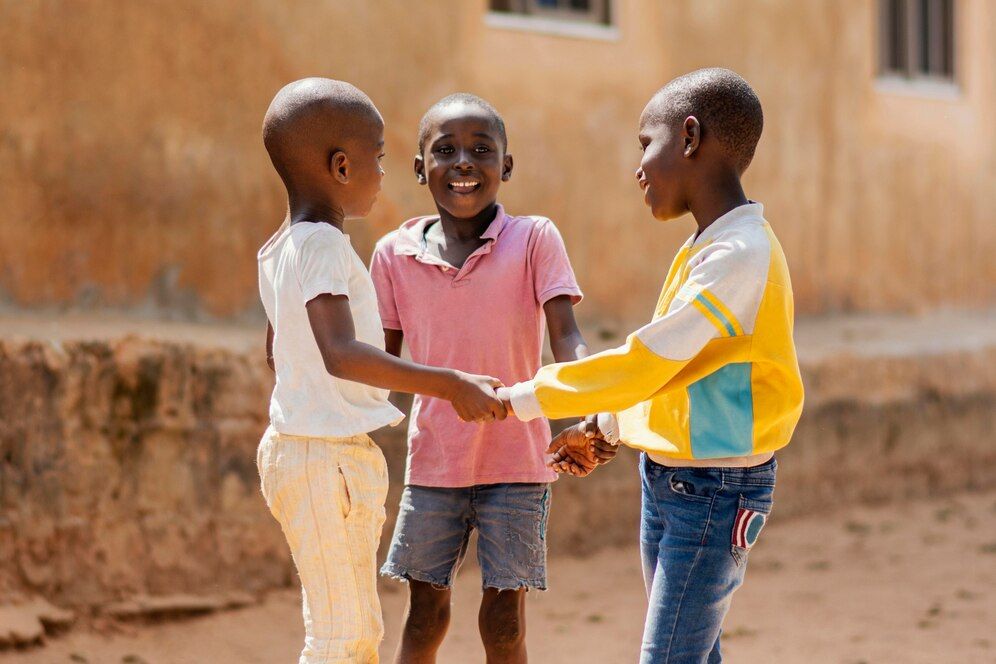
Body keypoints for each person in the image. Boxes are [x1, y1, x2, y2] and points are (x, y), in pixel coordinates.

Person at [501, 69, 805, 663]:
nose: (638, 167)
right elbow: (674, 374)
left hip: (716, 491)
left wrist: (522, 398)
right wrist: (607, 429)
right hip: (670, 480)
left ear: (689, 137)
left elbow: (644, 362)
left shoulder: (741, 255)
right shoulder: (706, 249)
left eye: (646, 144)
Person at [255, 79, 506, 664]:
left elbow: (280, 347)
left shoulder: (283, 247)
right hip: (323, 460)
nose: (384, 172)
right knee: (344, 640)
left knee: (350, 628)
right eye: (378, 156)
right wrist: (449, 383)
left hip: (313, 452)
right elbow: (339, 352)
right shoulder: (320, 246)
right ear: (341, 166)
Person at [371, 93, 613, 664]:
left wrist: (591, 399)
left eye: (482, 150)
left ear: (506, 166)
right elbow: (381, 362)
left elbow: (565, 334)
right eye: (445, 150)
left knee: (504, 623)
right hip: (435, 460)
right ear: (418, 168)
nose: (463, 163)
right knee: (424, 615)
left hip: (517, 460)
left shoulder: (533, 239)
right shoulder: (392, 254)